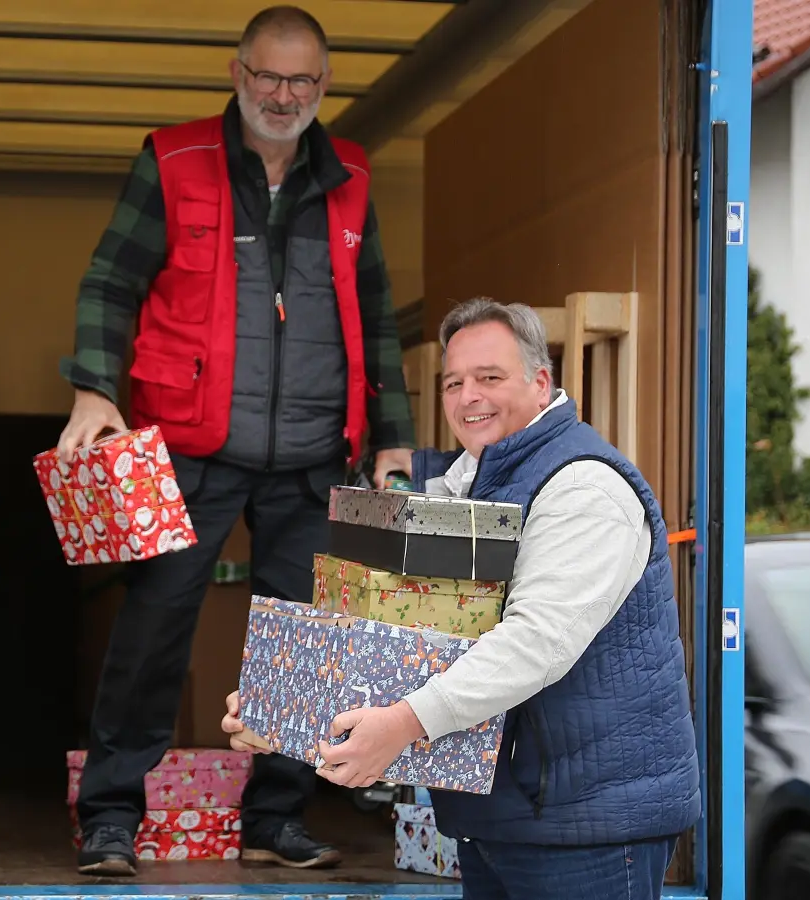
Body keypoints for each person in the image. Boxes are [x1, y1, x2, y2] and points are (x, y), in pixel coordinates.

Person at [57, 4, 416, 877]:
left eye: (301, 80)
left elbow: (375, 316)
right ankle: (110, 816)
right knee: (152, 632)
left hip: (313, 451)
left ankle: (275, 819)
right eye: (267, 76)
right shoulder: (174, 160)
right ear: (237, 73)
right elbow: (109, 281)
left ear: (325, 85)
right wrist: (93, 390)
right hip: (188, 445)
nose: (283, 95)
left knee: (300, 641)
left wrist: (394, 440)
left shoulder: (351, 176)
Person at [223, 297, 700, 898]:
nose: (468, 396)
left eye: (489, 377)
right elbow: (391, 638)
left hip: (586, 826)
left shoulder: (584, 486)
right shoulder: (463, 486)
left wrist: (403, 724)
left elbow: (536, 644)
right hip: (500, 818)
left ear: (541, 382)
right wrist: (284, 709)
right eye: (454, 382)